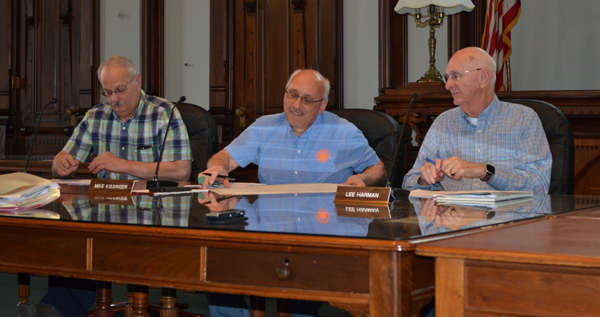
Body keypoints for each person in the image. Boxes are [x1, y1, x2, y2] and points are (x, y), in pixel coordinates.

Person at [199, 69, 386, 317]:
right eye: (292, 95)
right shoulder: (264, 128)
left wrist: (363, 178)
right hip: (268, 235)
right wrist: (219, 166)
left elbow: (378, 168)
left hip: (322, 239)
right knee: (219, 267)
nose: (296, 105)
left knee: (302, 291)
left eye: (307, 100)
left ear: (322, 106)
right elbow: (224, 157)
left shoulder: (344, 132)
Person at [20, 55, 192, 317]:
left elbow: (181, 170)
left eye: (120, 90)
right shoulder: (96, 116)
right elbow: (62, 162)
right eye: (108, 92)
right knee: (74, 241)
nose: (114, 99)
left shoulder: (164, 114)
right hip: (104, 211)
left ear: (137, 82)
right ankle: (54, 309)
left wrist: (124, 165)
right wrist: (60, 163)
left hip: (153, 215)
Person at [402, 47, 551, 195]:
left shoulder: (524, 119)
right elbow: (409, 182)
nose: (447, 85)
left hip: (507, 217)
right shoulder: (443, 123)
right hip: (452, 215)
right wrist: (425, 179)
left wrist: (484, 171)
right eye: (446, 77)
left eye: (455, 76)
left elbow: (539, 185)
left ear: (483, 78)